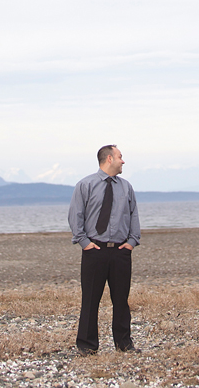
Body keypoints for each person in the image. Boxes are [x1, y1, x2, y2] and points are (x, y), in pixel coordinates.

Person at [68, 144, 141, 355]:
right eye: (120, 157)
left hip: (120, 252)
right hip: (94, 250)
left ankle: (124, 345)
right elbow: (76, 215)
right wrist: (84, 243)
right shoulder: (85, 185)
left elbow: (133, 214)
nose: (123, 161)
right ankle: (87, 346)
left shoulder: (126, 187)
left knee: (121, 301)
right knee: (90, 300)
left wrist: (132, 242)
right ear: (109, 159)